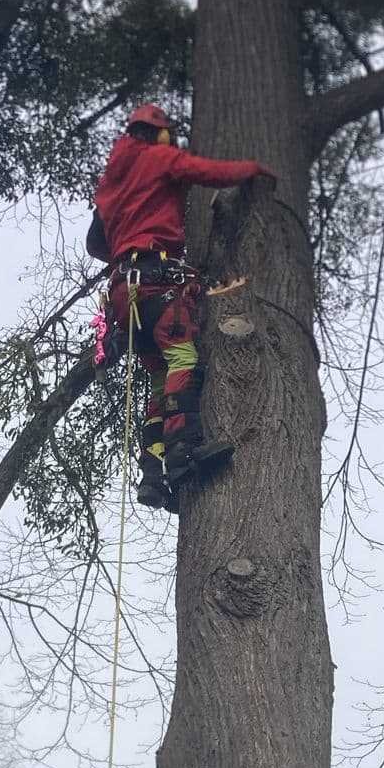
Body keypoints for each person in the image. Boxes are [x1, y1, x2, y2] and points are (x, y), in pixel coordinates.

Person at [88, 104, 275, 509]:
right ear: (159, 134)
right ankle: (183, 452)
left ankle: (153, 475)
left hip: (123, 295)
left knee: (160, 378)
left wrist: (128, 246)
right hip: (156, 284)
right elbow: (207, 172)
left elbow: (95, 244)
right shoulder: (158, 157)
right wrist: (251, 169)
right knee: (183, 359)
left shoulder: (110, 182)